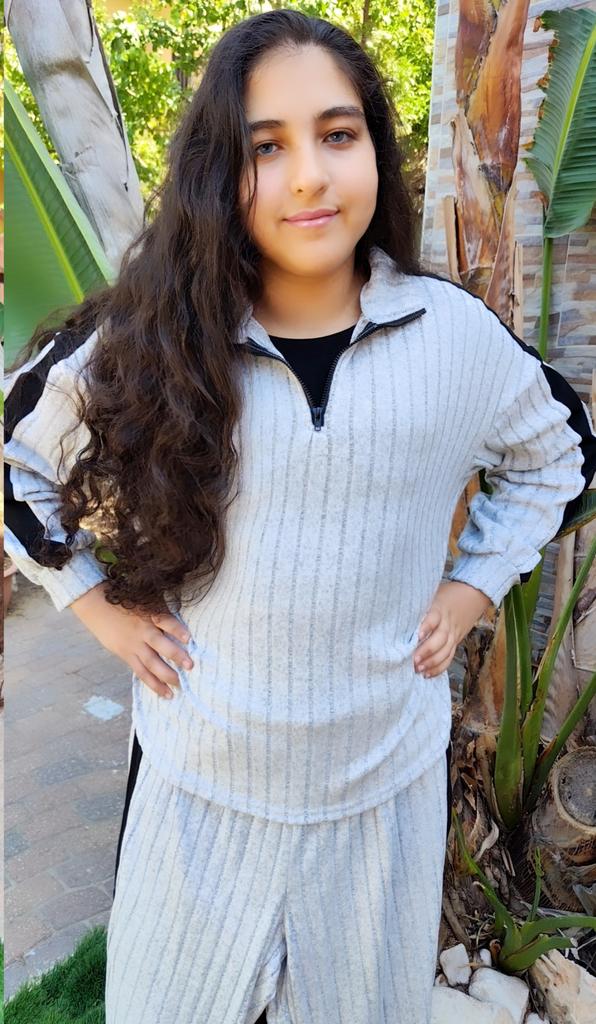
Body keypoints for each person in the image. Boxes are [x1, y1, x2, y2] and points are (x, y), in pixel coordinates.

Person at [5, 8, 595, 1024]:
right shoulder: (150, 336)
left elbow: (562, 455)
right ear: (216, 172)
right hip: (199, 793)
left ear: (374, 147)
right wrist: (95, 605)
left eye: (336, 134)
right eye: (265, 148)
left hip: (381, 799)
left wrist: (471, 585)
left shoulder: (452, 337)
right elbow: (16, 461)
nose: (310, 176)